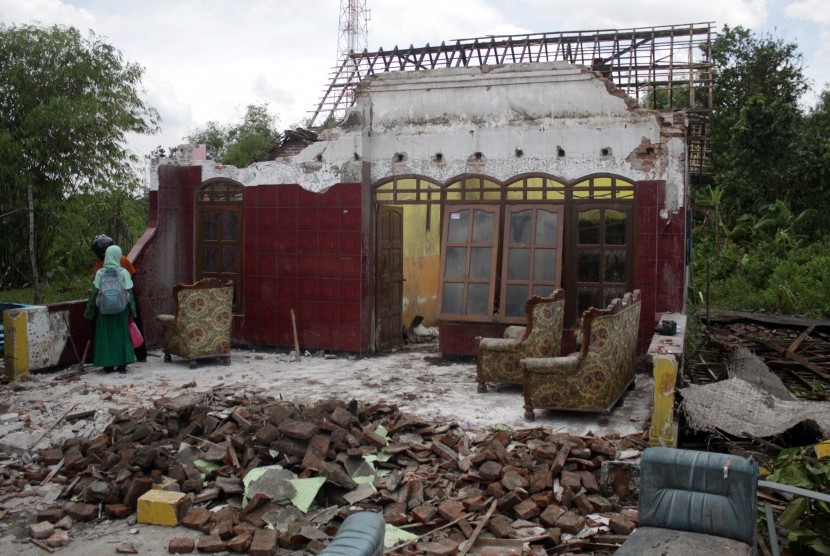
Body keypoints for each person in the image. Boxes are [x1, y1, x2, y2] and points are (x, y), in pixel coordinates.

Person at [91, 234, 147, 361]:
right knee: (134, 324)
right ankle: (141, 354)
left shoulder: (100, 265)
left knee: (108, 333)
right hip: (127, 297)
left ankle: (109, 359)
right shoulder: (123, 260)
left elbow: (96, 285)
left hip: (106, 303)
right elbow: (133, 275)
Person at [84, 244, 136, 373]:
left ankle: (107, 365)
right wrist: (133, 312)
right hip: (121, 310)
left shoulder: (100, 273)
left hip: (104, 310)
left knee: (106, 336)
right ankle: (122, 364)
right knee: (121, 336)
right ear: (118, 256)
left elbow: (95, 293)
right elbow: (130, 294)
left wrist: (89, 312)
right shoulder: (124, 273)